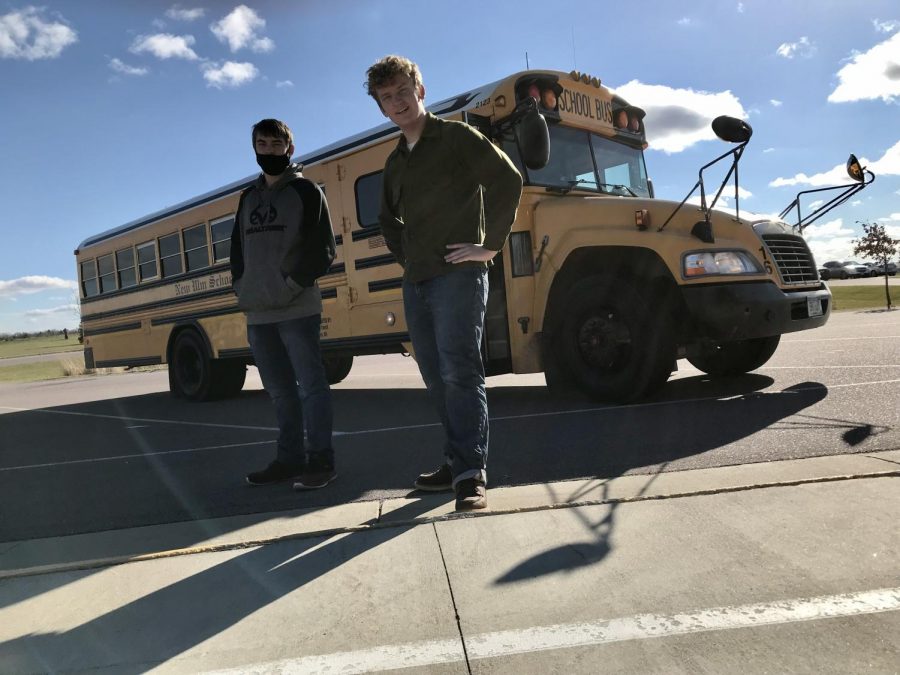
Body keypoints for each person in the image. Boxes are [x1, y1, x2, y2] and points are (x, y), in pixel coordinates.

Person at [365, 55, 523, 511]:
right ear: (381, 107)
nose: (396, 102)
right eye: (386, 97)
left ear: (420, 89)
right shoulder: (395, 161)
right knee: (435, 377)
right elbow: (387, 221)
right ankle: (455, 462)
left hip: (458, 276)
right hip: (418, 282)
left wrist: (488, 246)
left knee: (460, 371)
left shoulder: (456, 137)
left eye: (401, 91)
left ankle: (472, 474)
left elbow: (507, 181)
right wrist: (408, 258)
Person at [230, 118, 337, 490]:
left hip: (297, 309)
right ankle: (288, 459)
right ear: (255, 149)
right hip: (258, 313)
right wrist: (242, 288)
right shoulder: (248, 199)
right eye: (263, 144)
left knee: (311, 387)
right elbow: (237, 251)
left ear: (289, 149)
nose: (270, 151)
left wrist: (290, 284)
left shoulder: (306, 192)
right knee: (279, 391)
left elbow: (324, 249)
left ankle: (320, 460)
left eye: (277, 145)